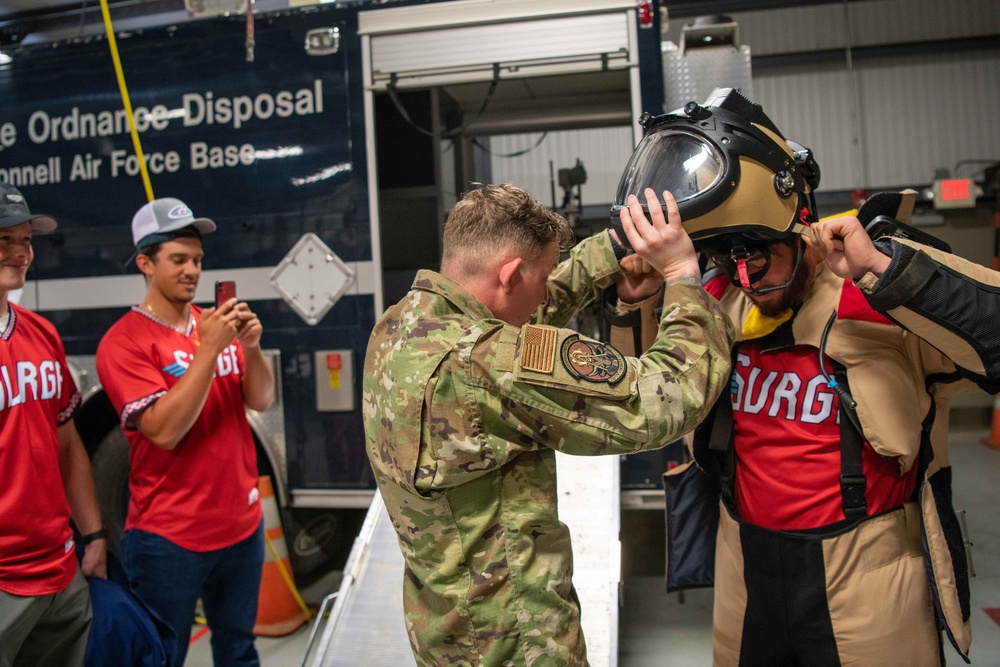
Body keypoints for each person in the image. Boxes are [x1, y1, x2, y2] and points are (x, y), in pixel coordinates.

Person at [613, 88, 1000, 666]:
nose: (746, 277)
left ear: (798, 228)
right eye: (729, 260)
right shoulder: (717, 303)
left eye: (759, 256)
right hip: (746, 569)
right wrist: (639, 304)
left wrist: (881, 268)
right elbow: (647, 398)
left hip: (866, 578)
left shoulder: (871, 294)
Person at [363, 182, 734, 666]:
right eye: (541, 276)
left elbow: (525, 306)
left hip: (446, 634)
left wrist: (616, 246)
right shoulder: (489, 365)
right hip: (518, 644)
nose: (545, 295)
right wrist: (683, 275)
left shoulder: (400, 326)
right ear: (511, 274)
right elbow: (667, 396)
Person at [95, 197, 275, 667]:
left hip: (241, 526)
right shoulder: (123, 342)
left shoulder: (209, 324)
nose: (192, 270)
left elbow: (260, 400)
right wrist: (208, 353)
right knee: (162, 656)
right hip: (169, 540)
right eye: (178, 259)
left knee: (239, 649)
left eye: (197, 260)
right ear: (145, 263)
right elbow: (163, 431)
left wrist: (251, 348)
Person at [0, 180, 107, 667]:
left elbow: (67, 445)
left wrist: (94, 535)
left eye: (26, 240)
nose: (22, 252)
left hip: (60, 569)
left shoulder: (41, 333)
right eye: (6, 239)